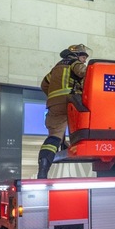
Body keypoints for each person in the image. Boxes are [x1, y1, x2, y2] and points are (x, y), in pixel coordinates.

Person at [38, 44, 90, 179]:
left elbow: (44, 85)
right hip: (71, 102)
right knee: (83, 126)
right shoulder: (75, 63)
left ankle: (43, 169)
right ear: (76, 55)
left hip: (54, 104)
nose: (84, 60)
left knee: (54, 136)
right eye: (83, 57)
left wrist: (54, 96)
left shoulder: (56, 68)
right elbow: (86, 73)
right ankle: (73, 146)